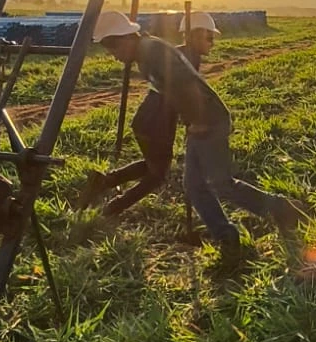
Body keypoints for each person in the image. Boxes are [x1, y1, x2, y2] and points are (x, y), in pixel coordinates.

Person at [90, 8, 299, 258]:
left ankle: (281, 209)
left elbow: (186, 85)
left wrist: (198, 120)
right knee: (194, 185)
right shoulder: (146, 53)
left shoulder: (151, 52)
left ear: (124, 39)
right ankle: (226, 236)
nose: (114, 57)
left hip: (209, 120)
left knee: (221, 184)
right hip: (199, 122)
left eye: (113, 50)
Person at [79, 11, 218, 218]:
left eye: (114, 49)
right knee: (157, 174)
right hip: (156, 122)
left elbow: (179, 88)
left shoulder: (158, 51)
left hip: (153, 120)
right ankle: (112, 209)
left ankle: (104, 182)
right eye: (209, 37)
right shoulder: (159, 52)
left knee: (154, 165)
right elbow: (181, 89)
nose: (212, 43)